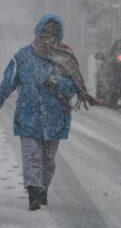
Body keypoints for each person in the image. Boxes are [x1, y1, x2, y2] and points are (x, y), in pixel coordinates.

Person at [0, 14, 98, 210]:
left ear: (59, 36)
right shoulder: (23, 56)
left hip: (55, 119)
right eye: (45, 33)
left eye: (53, 34)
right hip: (27, 116)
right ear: (38, 32)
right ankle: (34, 193)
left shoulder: (64, 59)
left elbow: (73, 88)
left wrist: (57, 82)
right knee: (32, 157)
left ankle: (42, 188)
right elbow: (8, 82)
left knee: (48, 161)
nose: (49, 38)